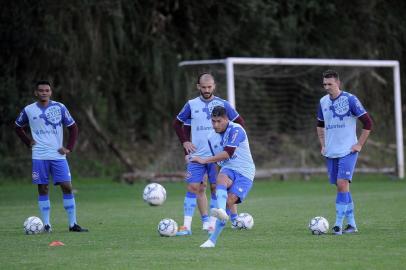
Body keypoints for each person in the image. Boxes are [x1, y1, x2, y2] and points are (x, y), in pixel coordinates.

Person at [173, 73, 245, 235]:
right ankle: (187, 227)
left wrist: (232, 145)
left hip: (216, 157)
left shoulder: (223, 104)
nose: (207, 90)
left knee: (214, 188)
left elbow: (240, 123)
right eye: (204, 87)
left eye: (209, 87)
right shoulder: (191, 105)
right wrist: (185, 143)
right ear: (198, 87)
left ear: (214, 86)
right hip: (197, 156)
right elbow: (177, 124)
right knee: (193, 187)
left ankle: (213, 223)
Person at [15, 80, 88, 233]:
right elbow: (17, 127)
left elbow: (73, 127)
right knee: (43, 188)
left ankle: (73, 224)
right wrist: (28, 141)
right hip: (39, 156)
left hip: (58, 155)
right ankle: (47, 225)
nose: (44, 93)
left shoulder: (59, 107)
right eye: (41, 90)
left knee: (67, 187)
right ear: (36, 93)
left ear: (50, 92)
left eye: (47, 90)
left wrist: (68, 148)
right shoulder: (29, 110)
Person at [189, 106, 255, 248]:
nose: (215, 125)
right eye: (213, 121)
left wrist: (203, 160)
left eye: (219, 121)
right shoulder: (211, 137)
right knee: (221, 179)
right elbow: (220, 161)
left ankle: (218, 225)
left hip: (245, 172)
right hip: (229, 168)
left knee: (229, 202)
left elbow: (227, 154)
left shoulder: (236, 130)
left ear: (226, 119)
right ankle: (211, 240)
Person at [316, 70, 372, 235]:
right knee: (342, 187)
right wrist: (323, 145)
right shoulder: (323, 101)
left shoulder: (350, 100)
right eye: (324, 84)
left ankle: (338, 225)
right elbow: (320, 125)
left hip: (348, 150)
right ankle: (352, 225)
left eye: (330, 84)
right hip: (331, 151)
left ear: (338, 83)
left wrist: (359, 144)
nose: (327, 87)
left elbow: (368, 123)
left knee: (342, 184)